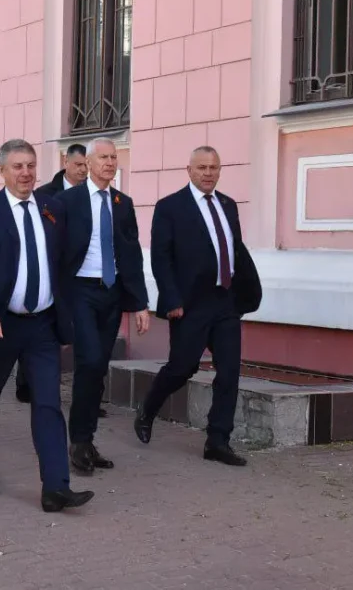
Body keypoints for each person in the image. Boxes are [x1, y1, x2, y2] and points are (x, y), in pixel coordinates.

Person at [0, 139, 93, 513]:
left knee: (48, 403)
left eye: (31, 165)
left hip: (42, 326)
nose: (26, 173)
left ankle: (56, 487)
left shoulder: (52, 209)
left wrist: (63, 306)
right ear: (1, 170)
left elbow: (63, 259)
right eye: (17, 166)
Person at [134, 146, 262, 466]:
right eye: (202, 167)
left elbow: (234, 250)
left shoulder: (228, 205)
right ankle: (148, 408)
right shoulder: (170, 207)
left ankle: (217, 441)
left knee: (229, 372)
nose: (208, 173)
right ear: (189, 170)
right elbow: (161, 257)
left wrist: (244, 292)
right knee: (183, 367)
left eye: (213, 167)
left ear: (220, 171)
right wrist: (171, 299)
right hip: (190, 304)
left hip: (225, 301)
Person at [57, 138, 150, 474]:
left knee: (98, 367)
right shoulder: (67, 201)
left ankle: (87, 439)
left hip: (111, 293)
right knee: (90, 361)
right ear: (89, 163)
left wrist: (140, 303)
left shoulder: (122, 203)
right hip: (81, 291)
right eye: (103, 157)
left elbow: (132, 254)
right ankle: (79, 441)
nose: (110, 163)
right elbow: (56, 251)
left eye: (114, 157)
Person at [16, 143, 89, 403]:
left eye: (86, 165)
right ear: (66, 162)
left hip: (79, 275)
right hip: (50, 274)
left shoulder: (92, 194)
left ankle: (83, 396)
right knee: (39, 331)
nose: (83, 170)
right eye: (78, 164)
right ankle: (26, 383)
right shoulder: (46, 196)